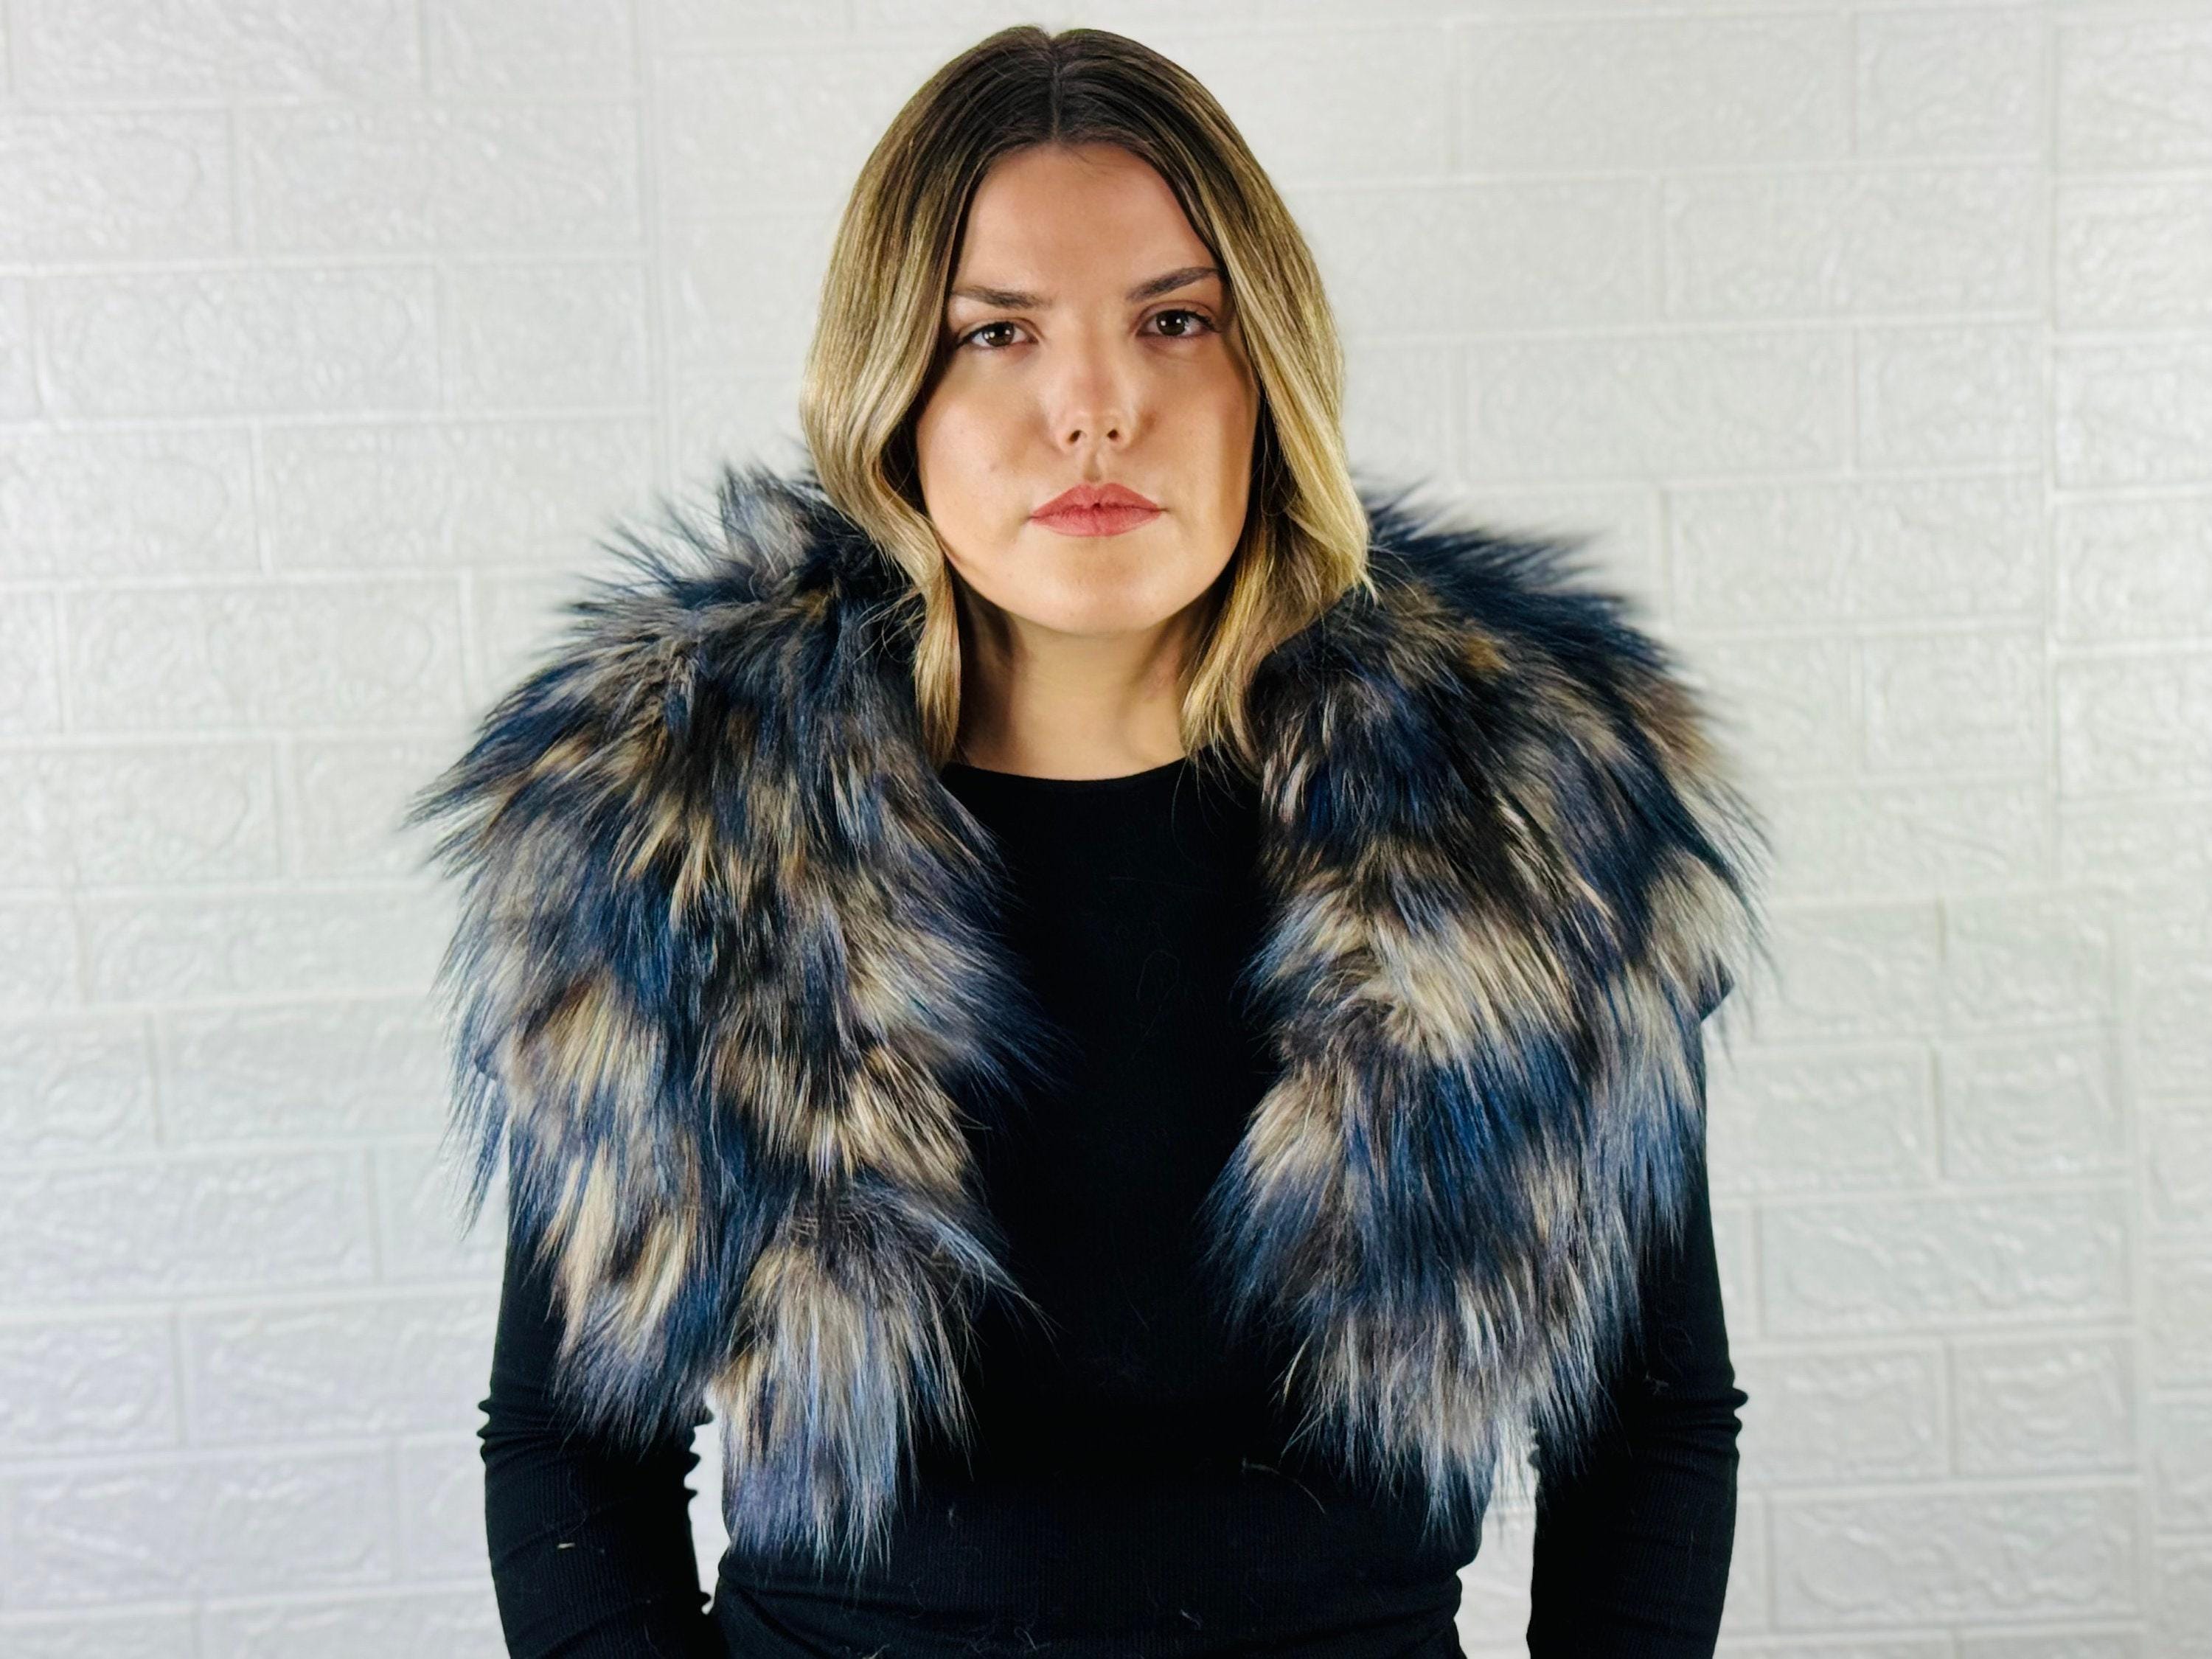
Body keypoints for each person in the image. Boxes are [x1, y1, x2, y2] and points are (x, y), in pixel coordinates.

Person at [406, 24, 1770, 1659]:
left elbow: (1649, 1422)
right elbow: (570, 1449)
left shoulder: (1524, 823)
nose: (1098, 409)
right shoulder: (680, 832)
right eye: (998, 333)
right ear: (893, 392)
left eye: (1175, 321)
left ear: (1268, 373)